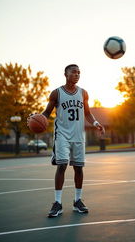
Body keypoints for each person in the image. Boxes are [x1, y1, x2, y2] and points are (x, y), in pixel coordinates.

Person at [41, 64, 105, 218]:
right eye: (73, 72)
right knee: (62, 165)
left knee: (78, 168)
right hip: (62, 134)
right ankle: (57, 203)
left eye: (79, 72)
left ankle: (77, 201)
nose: (77, 74)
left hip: (78, 136)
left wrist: (96, 123)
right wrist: (38, 118)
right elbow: (47, 112)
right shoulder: (57, 93)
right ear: (66, 74)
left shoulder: (83, 93)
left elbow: (88, 113)